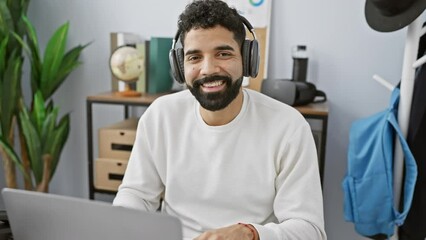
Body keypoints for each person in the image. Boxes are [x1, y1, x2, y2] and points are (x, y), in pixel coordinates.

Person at [113, 0, 326, 239]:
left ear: (247, 59)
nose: (208, 69)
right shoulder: (160, 116)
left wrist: (250, 234)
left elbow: (310, 231)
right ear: (180, 67)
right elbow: (137, 195)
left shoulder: (288, 126)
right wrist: (122, 224)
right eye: (194, 57)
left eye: (223, 53)